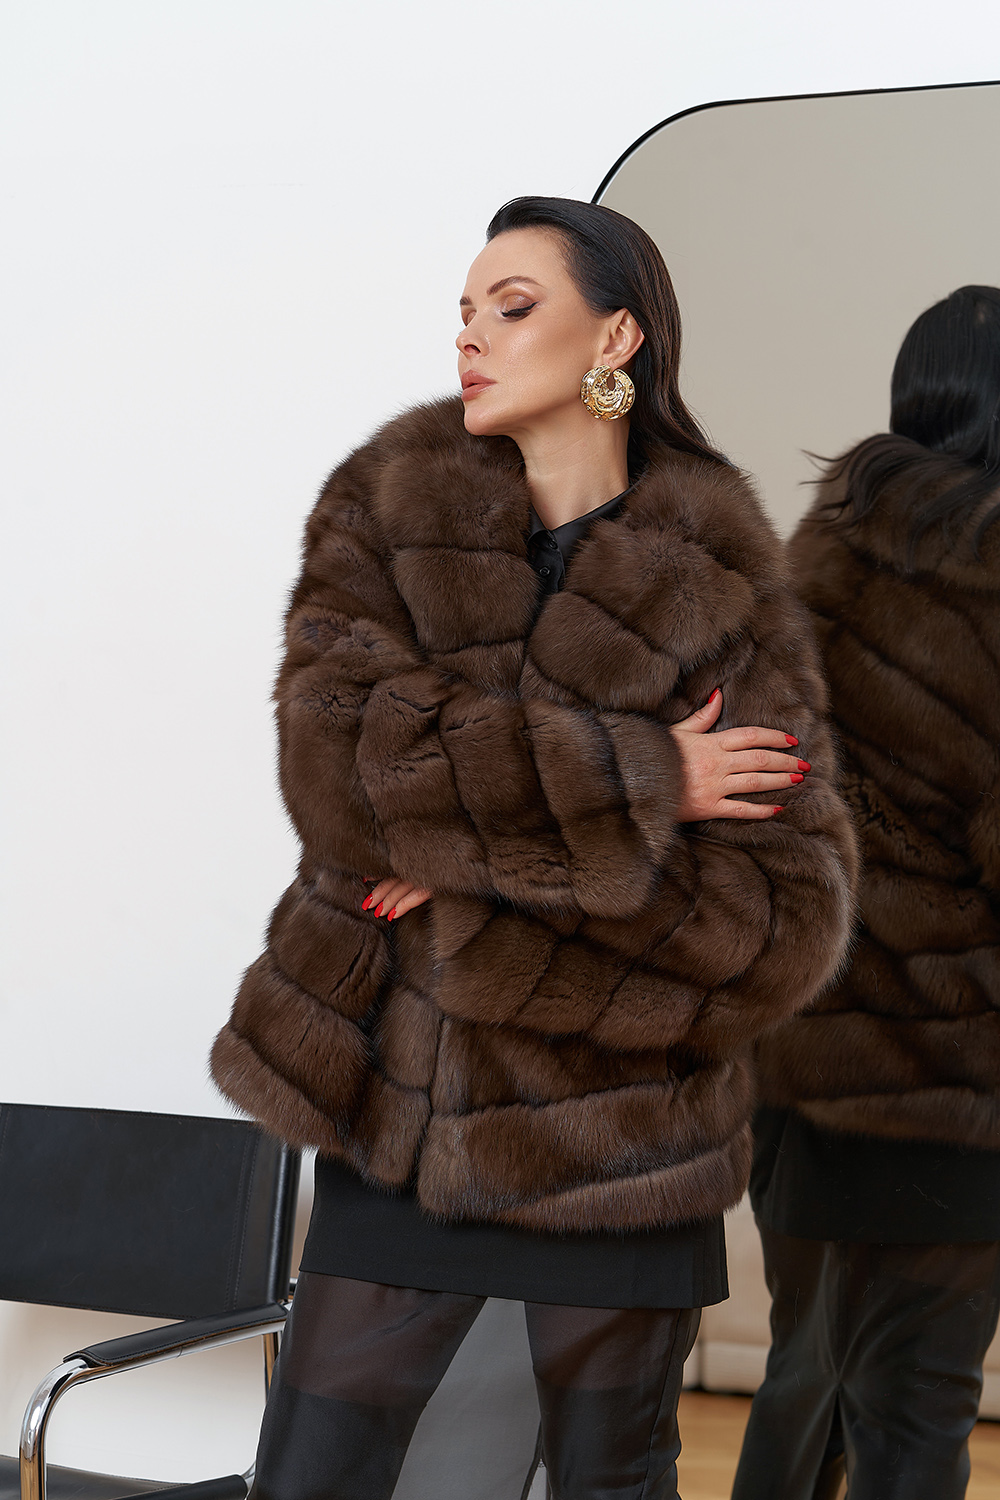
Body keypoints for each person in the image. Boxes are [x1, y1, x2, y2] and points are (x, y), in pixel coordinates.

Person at [211, 196, 856, 1500]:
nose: (470, 336)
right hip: (396, 1124)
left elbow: (789, 914)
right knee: (313, 1473)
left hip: (623, 1147)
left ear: (615, 336)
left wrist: (471, 860)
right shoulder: (388, 508)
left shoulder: (724, 585)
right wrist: (642, 780)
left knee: (610, 1480)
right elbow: (339, 773)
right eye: (464, 312)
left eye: (512, 308)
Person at [734, 285, 1000, 1500]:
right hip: (950, 1083)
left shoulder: (808, 561)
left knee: (804, 1377)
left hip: (797, 1063)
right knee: (918, 1405)